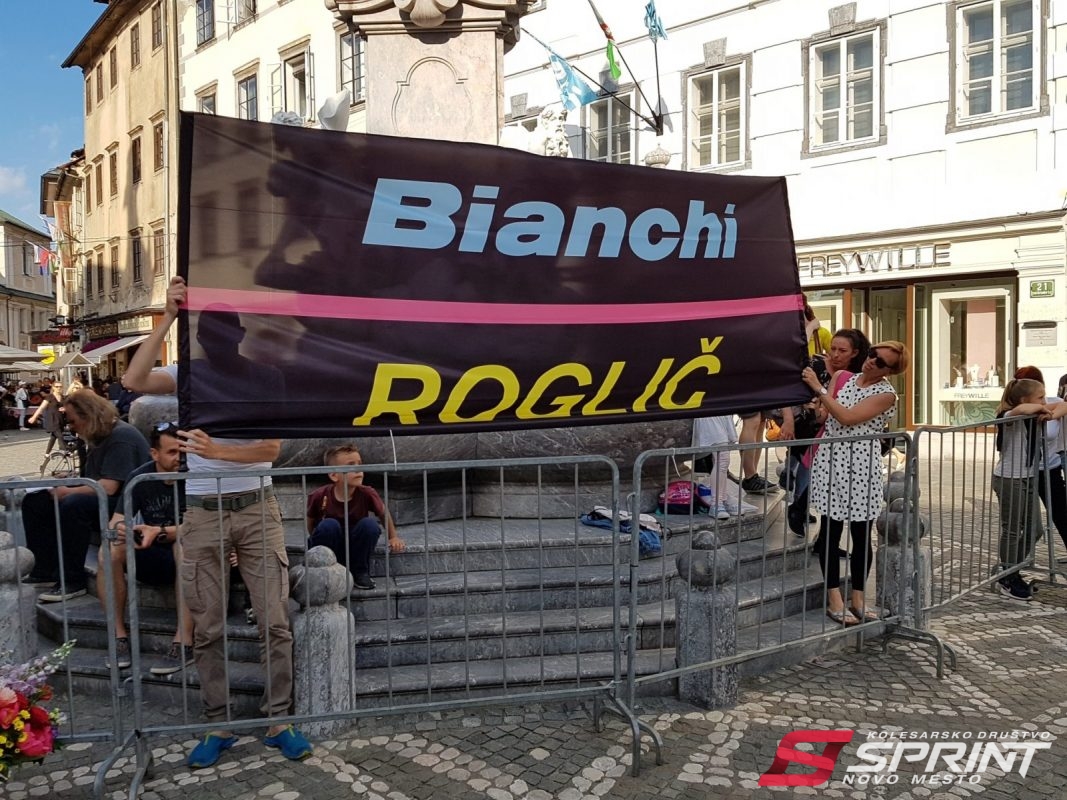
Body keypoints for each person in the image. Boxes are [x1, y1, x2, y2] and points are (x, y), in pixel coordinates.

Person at [122, 275, 311, 768]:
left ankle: (279, 720)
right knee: (206, 626)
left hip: (255, 506)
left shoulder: (267, 377)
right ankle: (217, 724)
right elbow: (134, 380)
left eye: (223, 332)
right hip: (204, 510)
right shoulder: (189, 374)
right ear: (200, 336)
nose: (216, 341)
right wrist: (166, 317)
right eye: (208, 333)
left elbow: (272, 449)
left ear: (239, 335)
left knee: (274, 620)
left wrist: (216, 451)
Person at [801, 340, 910, 626]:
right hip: (831, 459)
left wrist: (818, 389)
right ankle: (834, 598)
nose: (872, 361)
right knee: (830, 529)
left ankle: (859, 599)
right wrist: (814, 405)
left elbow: (848, 417)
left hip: (862, 464)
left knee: (861, 532)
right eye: (873, 354)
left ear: (891, 371)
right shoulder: (842, 377)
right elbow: (827, 416)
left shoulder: (886, 394)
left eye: (881, 361)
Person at [22, 390, 151, 602]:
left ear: (88, 415)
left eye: (73, 421)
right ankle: (45, 569)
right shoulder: (99, 435)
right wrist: (70, 481)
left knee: (74, 504)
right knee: (36, 501)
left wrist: (68, 491)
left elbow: (109, 487)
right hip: (112, 498)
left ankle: (72, 580)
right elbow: (96, 479)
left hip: (128, 505)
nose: (71, 427)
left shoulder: (121, 437)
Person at [98, 421, 193, 673]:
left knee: (185, 545)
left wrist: (160, 531)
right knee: (109, 550)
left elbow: (202, 526)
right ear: (154, 454)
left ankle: (184, 641)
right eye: (172, 452)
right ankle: (118, 637)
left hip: (190, 555)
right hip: (151, 552)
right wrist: (121, 530)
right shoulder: (140, 477)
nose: (180, 458)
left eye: (183, 451)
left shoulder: (195, 475)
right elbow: (116, 520)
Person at [784, 329, 871, 537]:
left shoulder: (856, 374)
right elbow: (787, 389)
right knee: (810, 469)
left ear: (855, 352)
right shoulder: (815, 365)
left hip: (830, 429)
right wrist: (788, 419)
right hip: (807, 425)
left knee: (826, 477)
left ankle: (804, 512)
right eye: (833, 348)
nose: (835, 354)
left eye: (842, 350)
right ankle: (799, 506)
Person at [306, 443, 405, 590]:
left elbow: (384, 513)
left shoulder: (367, 493)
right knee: (328, 525)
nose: (358, 469)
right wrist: (316, 537)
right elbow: (310, 521)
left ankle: (360, 572)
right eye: (351, 465)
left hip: (355, 543)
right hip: (330, 543)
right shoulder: (319, 495)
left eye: (360, 463)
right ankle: (327, 572)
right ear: (334, 475)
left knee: (370, 525)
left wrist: (393, 537)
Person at [1012, 367, 1067, 559]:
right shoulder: (1013, 410)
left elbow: (1064, 405)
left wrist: (1050, 414)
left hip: (1049, 468)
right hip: (1023, 471)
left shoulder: (1052, 402)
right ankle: (1013, 564)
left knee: (1061, 514)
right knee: (1027, 524)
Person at [28, 383, 65, 472]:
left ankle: (47, 454)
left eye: (60, 386)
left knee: (53, 437)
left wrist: (65, 409)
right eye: (57, 386)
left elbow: (68, 406)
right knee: (60, 436)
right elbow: (41, 408)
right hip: (52, 420)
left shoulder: (63, 397)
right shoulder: (49, 397)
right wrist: (34, 417)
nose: (59, 388)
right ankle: (64, 451)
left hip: (60, 420)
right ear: (53, 388)